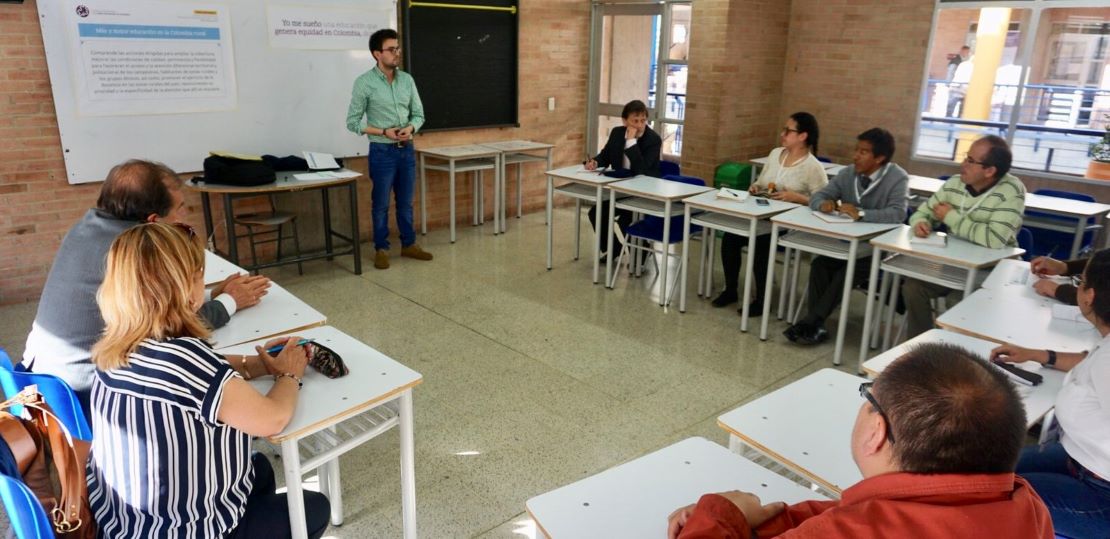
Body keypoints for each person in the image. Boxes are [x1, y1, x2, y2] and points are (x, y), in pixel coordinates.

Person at [86, 222, 330, 538]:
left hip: (125, 524)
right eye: (199, 275)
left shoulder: (114, 346)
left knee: (260, 471)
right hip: (184, 531)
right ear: (187, 288)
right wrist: (289, 373)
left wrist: (254, 366)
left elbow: (187, 374)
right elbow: (273, 420)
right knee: (314, 508)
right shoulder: (186, 358)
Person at [666, 342, 1053, 538]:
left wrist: (720, 513)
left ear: (876, 432)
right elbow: (869, 514)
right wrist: (775, 518)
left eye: (868, 397)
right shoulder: (1028, 506)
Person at [21, 159, 270, 416]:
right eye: (180, 209)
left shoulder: (86, 227)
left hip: (39, 377)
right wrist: (229, 302)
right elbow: (169, 334)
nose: (184, 217)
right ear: (153, 220)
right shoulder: (132, 253)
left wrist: (208, 294)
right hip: (86, 394)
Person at [991, 248, 1110, 538]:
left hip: (1101, 492)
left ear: (1089, 296)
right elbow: (1091, 363)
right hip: (1078, 459)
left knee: (987, 498)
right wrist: (1038, 355)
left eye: (1079, 281)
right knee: (985, 470)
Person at [785, 128, 908, 345]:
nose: (855, 156)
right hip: (846, 243)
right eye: (856, 150)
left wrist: (862, 214)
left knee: (846, 271)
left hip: (876, 251)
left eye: (863, 152)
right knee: (820, 265)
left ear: (880, 158)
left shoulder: (897, 178)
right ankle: (816, 325)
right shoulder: (848, 173)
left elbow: (898, 214)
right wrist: (822, 203)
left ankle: (811, 321)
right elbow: (820, 195)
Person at [902, 135, 1025, 339]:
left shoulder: (1011, 191)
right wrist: (921, 224)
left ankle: (954, 354)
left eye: (970, 160)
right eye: (965, 157)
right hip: (955, 263)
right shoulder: (954, 184)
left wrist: (951, 217)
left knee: (957, 300)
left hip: (993, 270)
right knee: (913, 287)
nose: (963, 164)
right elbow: (921, 213)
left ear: (990, 171)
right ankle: (921, 346)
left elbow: (994, 239)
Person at [711, 112, 827, 314]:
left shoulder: (812, 166)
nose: (783, 134)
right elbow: (761, 181)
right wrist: (755, 188)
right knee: (730, 237)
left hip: (786, 223)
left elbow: (823, 202)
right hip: (761, 215)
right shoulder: (775, 154)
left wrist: (799, 198)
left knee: (762, 244)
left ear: (803, 136)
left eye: (788, 131)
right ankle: (730, 290)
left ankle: (762, 300)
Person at [346, 28, 433, 270]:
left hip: (406, 149)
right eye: (391, 49)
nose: (397, 53)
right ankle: (381, 249)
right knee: (381, 203)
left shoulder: (407, 80)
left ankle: (409, 244)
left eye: (398, 49)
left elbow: (419, 114)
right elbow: (353, 122)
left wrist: (411, 128)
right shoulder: (364, 83)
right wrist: (383, 132)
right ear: (377, 54)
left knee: (406, 202)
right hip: (382, 152)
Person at [585, 99, 662, 259]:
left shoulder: (653, 140)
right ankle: (613, 248)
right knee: (597, 212)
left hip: (644, 193)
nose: (640, 125)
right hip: (621, 190)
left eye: (643, 120)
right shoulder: (617, 133)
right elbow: (606, 155)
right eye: (635, 120)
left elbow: (642, 170)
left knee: (627, 219)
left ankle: (642, 253)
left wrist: (631, 141)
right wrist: (595, 162)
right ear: (625, 120)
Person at [947, 46, 972, 117]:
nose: (967, 53)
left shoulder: (964, 61)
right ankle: (948, 121)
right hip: (956, 86)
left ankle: (956, 120)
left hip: (963, 87)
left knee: (960, 108)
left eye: (968, 52)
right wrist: (949, 83)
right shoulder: (956, 61)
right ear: (962, 51)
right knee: (951, 106)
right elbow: (951, 72)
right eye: (966, 51)